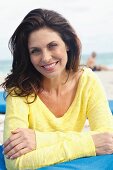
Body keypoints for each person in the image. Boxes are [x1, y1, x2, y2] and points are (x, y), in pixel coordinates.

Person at [1, 8, 113, 170]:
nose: (46, 57)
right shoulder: (19, 89)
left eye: (52, 46)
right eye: (35, 51)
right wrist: (88, 143)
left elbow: (108, 139)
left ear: (67, 43)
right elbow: (14, 163)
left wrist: (39, 140)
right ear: (28, 55)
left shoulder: (87, 81)